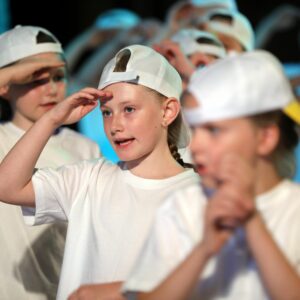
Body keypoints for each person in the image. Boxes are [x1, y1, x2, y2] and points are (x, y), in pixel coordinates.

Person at [0, 44, 199, 300]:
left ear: (168, 111)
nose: (115, 125)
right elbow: (7, 186)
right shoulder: (89, 178)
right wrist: (51, 119)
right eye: (106, 112)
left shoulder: (197, 195)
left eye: (129, 109)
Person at [122, 50, 300, 300]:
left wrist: (253, 224)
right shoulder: (182, 207)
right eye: (195, 129)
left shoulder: (294, 210)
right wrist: (204, 249)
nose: (196, 145)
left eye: (214, 130)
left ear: (265, 138)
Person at [0, 25, 100, 300]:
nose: (51, 89)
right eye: (35, 80)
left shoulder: (83, 146)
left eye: (59, 76)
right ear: (6, 86)